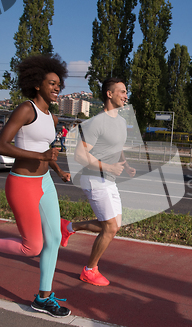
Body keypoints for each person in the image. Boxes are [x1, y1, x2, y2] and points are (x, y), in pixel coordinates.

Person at [0, 54, 72, 318]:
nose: (57, 88)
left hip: (44, 182)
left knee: (54, 239)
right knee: (31, 247)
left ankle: (43, 298)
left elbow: (47, 151)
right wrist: (41, 158)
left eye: (59, 84)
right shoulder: (26, 109)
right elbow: (0, 146)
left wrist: (57, 169)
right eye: (52, 83)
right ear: (37, 84)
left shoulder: (52, 117)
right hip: (22, 184)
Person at [60, 78, 136, 286]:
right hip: (93, 178)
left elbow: (116, 147)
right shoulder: (95, 122)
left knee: (113, 225)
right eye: (121, 91)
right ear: (109, 94)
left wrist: (124, 164)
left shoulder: (120, 122)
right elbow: (79, 156)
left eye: (126, 92)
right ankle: (89, 270)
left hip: (109, 179)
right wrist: (109, 167)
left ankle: (68, 227)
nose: (126, 95)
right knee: (110, 227)